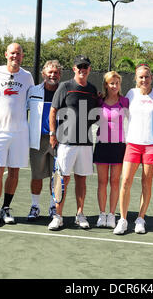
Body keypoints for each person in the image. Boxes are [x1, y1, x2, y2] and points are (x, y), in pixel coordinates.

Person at [0, 43, 34, 227]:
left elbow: (35, 97)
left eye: (18, 54)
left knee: (14, 171)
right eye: (12, 53)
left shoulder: (27, 77)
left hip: (20, 132)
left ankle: (6, 208)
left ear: (22, 56)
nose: (15, 56)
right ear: (6, 54)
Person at [114, 64, 153, 235]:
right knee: (125, 182)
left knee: (147, 183)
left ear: (152, 77)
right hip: (132, 144)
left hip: (151, 145)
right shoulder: (131, 94)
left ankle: (140, 219)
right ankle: (122, 219)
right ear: (136, 79)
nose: (144, 80)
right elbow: (114, 101)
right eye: (140, 77)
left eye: (147, 76)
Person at [48, 55, 98, 230]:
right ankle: (58, 216)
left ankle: (80, 214)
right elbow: (53, 111)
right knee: (62, 180)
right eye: (79, 66)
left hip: (85, 143)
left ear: (89, 69)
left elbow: (95, 113)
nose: (82, 69)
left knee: (81, 180)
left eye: (85, 66)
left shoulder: (92, 89)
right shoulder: (65, 86)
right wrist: (53, 134)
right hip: (66, 142)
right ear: (74, 68)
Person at [27, 60, 62, 221]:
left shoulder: (64, 91)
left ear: (59, 75)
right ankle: (35, 206)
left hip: (59, 140)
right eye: (50, 72)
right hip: (37, 139)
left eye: (56, 72)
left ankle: (52, 207)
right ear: (43, 74)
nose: (52, 75)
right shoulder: (32, 90)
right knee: (37, 175)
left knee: (56, 176)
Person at [93, 71, 129, 228]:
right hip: (102, 145)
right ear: (106, 85)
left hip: (119, 147)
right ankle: (102, 214)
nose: (114, 86)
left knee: (115, 182)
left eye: (117, 83)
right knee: (102, 182)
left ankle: (112, 215)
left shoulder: (125, 101)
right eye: (111, 83)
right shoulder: (99, 101)